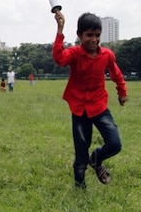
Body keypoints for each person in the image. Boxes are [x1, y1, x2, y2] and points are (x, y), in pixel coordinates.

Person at [52, 11, 128, 189]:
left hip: (99, 107)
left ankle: (97, 158)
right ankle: (80, 187)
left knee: (115, 143)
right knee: (81, 153)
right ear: (79, 35)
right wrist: (60, 29)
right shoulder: (74, 53)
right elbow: (59, 59)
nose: (93, 39)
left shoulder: (107, 55)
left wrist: (122, 91)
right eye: (89, 35)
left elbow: (116, 74)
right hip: (79, 109)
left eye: (97, 35)